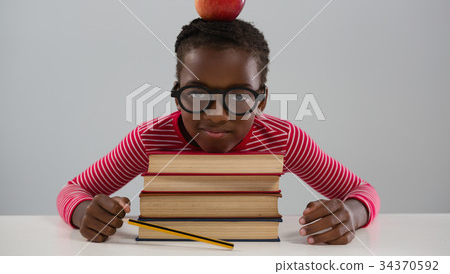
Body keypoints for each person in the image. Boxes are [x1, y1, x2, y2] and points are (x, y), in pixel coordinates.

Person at [57, 18, 380, 244]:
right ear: (176, 92)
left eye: (239, 98)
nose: (216, 114)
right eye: (197, 95)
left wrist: (350, 213)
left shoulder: (282, 139)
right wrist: (86, 212)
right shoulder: (150, 140)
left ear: (262, 100)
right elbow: (72, 192)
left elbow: (363, 193)